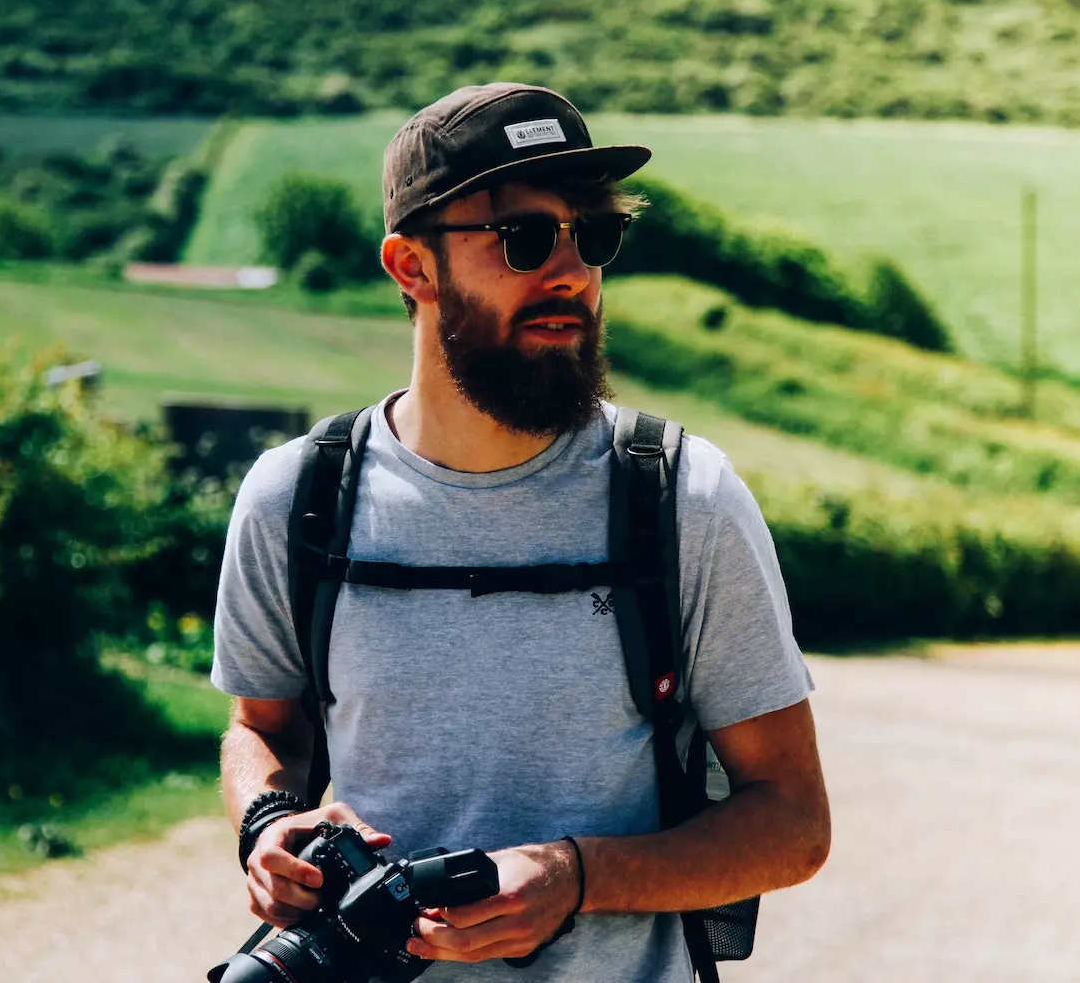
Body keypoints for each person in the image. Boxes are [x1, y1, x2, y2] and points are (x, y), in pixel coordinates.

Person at [210, 82, 830, 982]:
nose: (572, 272)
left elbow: (792, 823)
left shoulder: (682, 499)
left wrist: (576, 877)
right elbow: (261, 728)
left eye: (592, 236)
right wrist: (268, 824)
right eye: (525, 238)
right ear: (411, 267)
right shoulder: (296, 498)